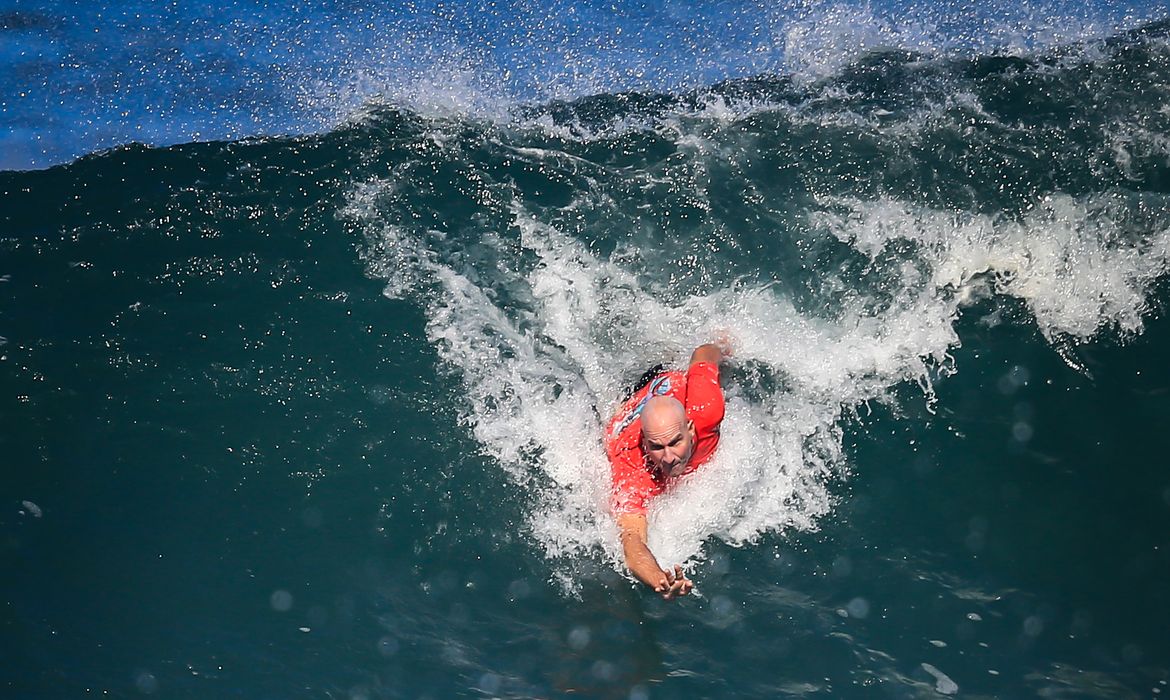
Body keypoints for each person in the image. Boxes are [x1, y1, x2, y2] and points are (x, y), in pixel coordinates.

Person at [605, 342, 728, 600]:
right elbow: (632, 541)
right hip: (636, 402)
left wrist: (726, 346)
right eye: (657, 448)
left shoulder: (706, 409)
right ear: (645, 444)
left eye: (675, 442)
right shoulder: (633, 468)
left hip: (669, 384)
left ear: (691, 431)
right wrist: (659, 579)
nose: (669, 458)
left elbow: (704, 352)